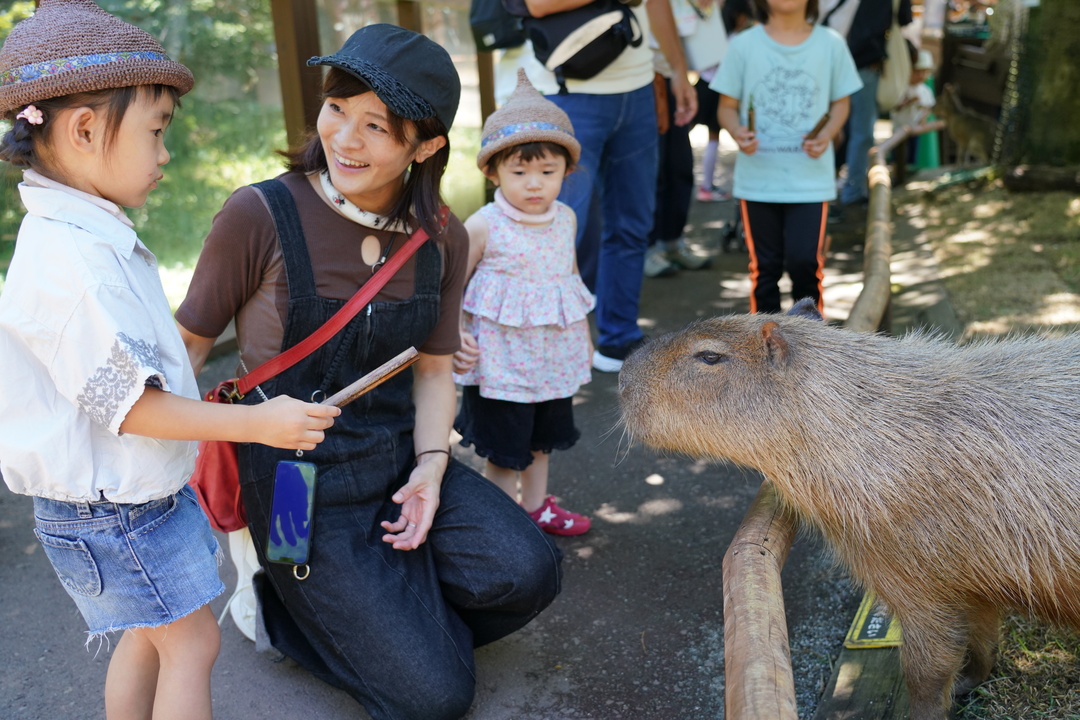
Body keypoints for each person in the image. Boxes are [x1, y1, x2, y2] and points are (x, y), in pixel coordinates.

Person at [175, 25, 563, 720]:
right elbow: (187, 352)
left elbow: (437, 371)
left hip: (392, 461)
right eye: (337, 109)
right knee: (434, 696)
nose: (345, 138)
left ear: (426, 146)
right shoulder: (258, 213)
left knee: (528, 573)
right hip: (287, 480)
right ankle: (275, 605)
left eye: (376, 125)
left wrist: (432, 469)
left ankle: (376, 611)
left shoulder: (440, 235)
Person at [0, 2, 339, 720]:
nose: (164, 156)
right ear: (85, 130)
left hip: (119, 502)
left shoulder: (77, 237)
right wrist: (260, 425)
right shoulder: (71, 263)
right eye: (155, 133)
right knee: (189, 647)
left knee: (151, 641)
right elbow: (135, 407)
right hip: (114, 511)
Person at [452, 70, 594, 535]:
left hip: (551, 360)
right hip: (500, 366)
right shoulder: (484, 224)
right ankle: (499, 526)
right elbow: (452, 282)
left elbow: (569, 281)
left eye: (547, 172)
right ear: (492, 171)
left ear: (566, 171)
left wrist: (585, 340)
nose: (534, 184)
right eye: (519, 172)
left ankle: (536, 509)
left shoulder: (567, 219)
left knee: (541, 442)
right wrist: (454, 332)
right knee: (503, 448)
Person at [524, 0, 698, 371]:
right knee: (554, 229)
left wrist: (677, 70)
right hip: (564, 90)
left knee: (632, 224)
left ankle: (617, 340)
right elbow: (534, 5)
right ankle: (535, 349)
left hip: (638, 89)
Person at [713, 0, 862, 314]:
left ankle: (813, 351)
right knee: (764, 270)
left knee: (805, 264)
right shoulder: (743, 45)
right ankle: (762, 357)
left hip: (811, 182)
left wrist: (827, 133)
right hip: (757, 182)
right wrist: (738, 132)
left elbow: (841, 104)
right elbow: (726, 107)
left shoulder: (831, 44)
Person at [822, 0, 913, 220]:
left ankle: (828, 193)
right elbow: (904, 19)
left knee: (831, 130)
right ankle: (849, 191)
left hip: (830, 61)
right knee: (857, 133)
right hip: (862, 63)